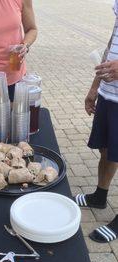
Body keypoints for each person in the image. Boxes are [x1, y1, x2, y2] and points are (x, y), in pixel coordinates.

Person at [74, 0, 118, 243]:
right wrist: (95, 86)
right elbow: (113, 41)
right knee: (107, 150)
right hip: (110, 93)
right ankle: (99, 196)